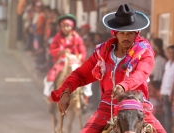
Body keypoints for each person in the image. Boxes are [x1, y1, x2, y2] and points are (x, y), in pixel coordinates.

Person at [51, 4, 166, 133]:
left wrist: (123, 86)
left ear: (136, 33)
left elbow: (141, 74)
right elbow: (81, 74)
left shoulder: (144, 52)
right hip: (107, 106)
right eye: (122, 33)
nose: (126, 37)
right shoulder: (103, 52)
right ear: (115, 33)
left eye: (130, 33)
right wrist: (65, 91)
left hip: (136, 106)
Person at [43, 13, 86, 133]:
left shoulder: (77, 38)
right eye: (64, 26)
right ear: (61, 27)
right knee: (50, 78)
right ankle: (50, 98)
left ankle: (84, 100)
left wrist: (79, 57)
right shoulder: (58, 37)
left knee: (87, 79)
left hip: (75, 62)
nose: (66, 28)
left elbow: (83, 51)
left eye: (68, 26)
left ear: (72, 27)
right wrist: (61, 51)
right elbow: (52, 50)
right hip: (61, 62)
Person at [160, 45, 174, 133]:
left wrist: (172, 93)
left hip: (173, 93)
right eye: (170, 53)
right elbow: (165, 78)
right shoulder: (167, 64)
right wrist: (161, 92)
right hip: (165, 92)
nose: (172, 55)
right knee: (166, 114)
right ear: (167, 54)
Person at [149, 38, 167, 124]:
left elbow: (156, 77)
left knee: (156, 114)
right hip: (155, 87)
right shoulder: (158, 59)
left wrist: (153, 87)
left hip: (157, 87)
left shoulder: (159, 60)